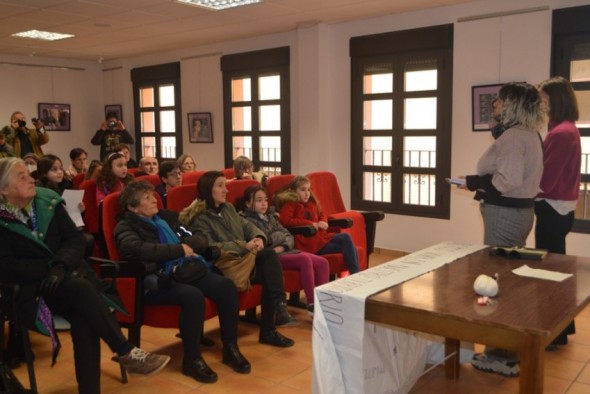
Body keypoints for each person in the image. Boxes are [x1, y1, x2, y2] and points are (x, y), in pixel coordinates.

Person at [0, 157, 170, 394]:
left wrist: (60, 266)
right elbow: (8, 267)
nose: (31, 178)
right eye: (22, 176)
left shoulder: (47, 201)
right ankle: (124, 350)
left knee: (84, 316)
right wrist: (51, 269)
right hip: (32, 293)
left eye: (29, 175)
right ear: (3, 189)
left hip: (67, 280)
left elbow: (75, 239)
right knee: (81, 291)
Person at [114, 181, 251, 384]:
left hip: (186, 270)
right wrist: (180, 250)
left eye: (153, 195)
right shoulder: (126, 226)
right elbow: (137, 250)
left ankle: (230, 348)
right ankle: (192, 359)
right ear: (132, 207)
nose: (154, 199)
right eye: (147, 198)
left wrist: (186, 246)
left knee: (226, 286)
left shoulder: (167, 218)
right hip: (156, 281)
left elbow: (199, 237)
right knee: (192, 296)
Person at [459, 82, 545, 377]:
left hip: (505, 214)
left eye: (500, 100)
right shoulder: (530, 134)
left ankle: (500, 355)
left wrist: (474, 182)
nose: (494, 104)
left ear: (512, 106)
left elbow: (506, 181)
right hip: (520, 213)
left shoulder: (512, 137)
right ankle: (508, 349)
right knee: (509, 280)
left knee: (496, 283)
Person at [179, 171, 298, 347]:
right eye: (220, 186)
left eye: (225, 185)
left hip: (243, 261)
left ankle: (270, 328)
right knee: (269, 264)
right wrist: (243, 245)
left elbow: (247, 225)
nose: (226, 190)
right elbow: (210, 247)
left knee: (270, 263)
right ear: (207, 189)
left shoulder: (227, 208)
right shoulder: (199, 217)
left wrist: (259, 237)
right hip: (223, 266)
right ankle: (278, 312)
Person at [535, 76, 582, 347]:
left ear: (556, 100)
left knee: (551, 275)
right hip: (559, 209)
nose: (541, 105)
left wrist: (525, 191)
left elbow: (546, 180)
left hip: (553, 209)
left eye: (544, 99)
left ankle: (556, 333)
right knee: (556, 272)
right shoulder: (567, 129)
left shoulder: (561, 133)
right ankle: (561, 332)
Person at [240, 184, 329, 315]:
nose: (264, 204)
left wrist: (281, 246)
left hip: (282, 251)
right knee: (304, 259)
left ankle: (323, 303)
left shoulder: (270, 216)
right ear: (248, 204)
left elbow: (287, 235)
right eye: (259, 201)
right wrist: (277, 240)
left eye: (265, 200)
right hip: (269, 257)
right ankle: (312, 305)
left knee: (323, 262)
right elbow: (264, 239)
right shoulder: (246, 220)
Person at [275, 175, 360, 274]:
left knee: (346, 238)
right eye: (303, 190)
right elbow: (286, 221)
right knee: (350, 248)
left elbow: (322, 213)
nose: (307, 193)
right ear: (294, 191)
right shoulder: (290, 204)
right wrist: (311, 223)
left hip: (321, 238)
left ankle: (356, 275)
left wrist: (323, 221)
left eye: (308, 190)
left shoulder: (312, 202)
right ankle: (356, 276)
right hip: (308, 244)